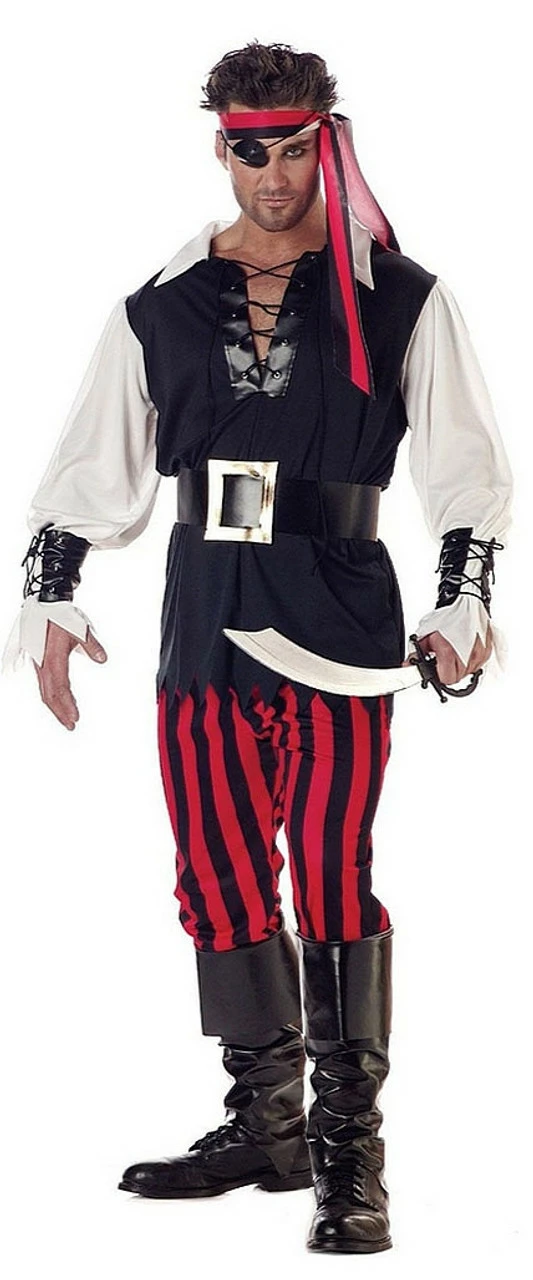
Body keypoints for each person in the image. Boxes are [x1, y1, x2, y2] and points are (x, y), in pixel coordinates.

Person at [3, 40, 512, 1256]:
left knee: (331, 874)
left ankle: (350, 1155)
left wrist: (461, 599)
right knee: (218, 872)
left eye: (291, 148)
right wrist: (53, 597)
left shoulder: (400, 296)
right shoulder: (163, 303)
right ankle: (266, 1123)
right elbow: (92, 461)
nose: (271, 174)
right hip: (204, 619)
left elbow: (465, 463)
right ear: (218, 145)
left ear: (323, 142)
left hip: (337, 622)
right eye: (248, 149)